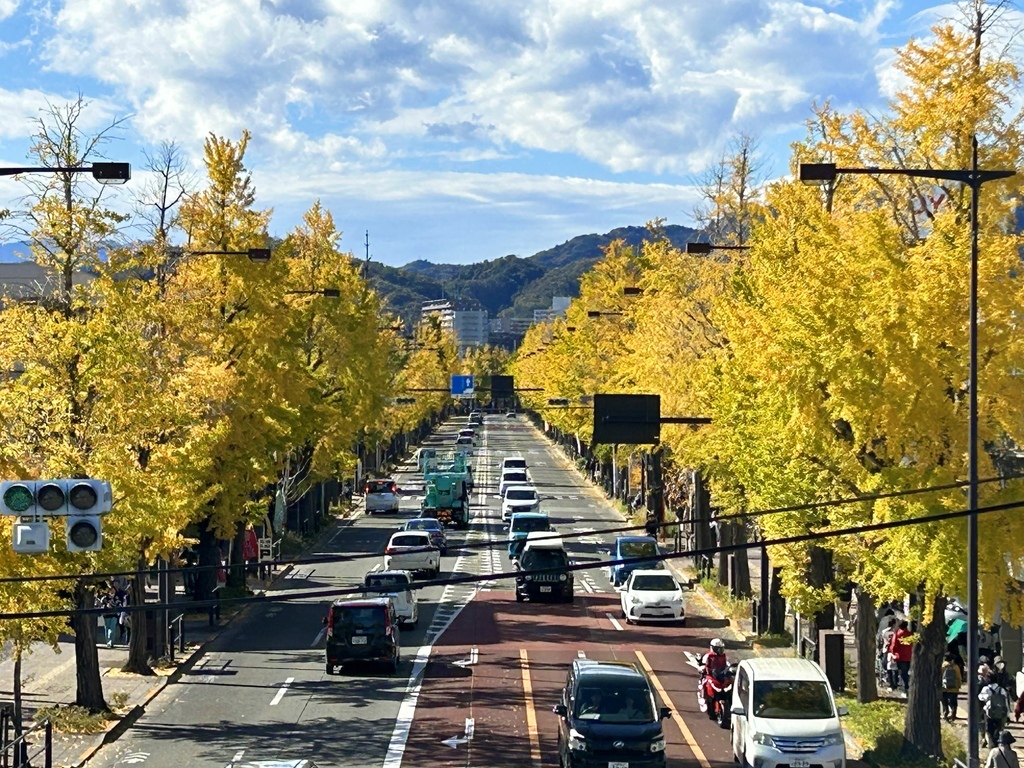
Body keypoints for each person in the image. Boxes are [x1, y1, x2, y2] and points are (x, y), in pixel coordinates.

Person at [980, 670, 1010, 748]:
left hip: (989, 712)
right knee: (999, 729)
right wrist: (1007, 714)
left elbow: (980, 697)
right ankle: (998, 743)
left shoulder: (986, 689)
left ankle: (990, 744)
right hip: (1000, 712)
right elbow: (1005, 702)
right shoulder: (1001, 689)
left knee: (988, 730)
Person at [888, 620, 913, 693]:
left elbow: (893, 645)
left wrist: (892, 653)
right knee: (907, 672)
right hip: (909, 656)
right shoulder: (910, 634)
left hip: (900, 656)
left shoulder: (897, 634)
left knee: (901, 672)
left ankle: (904, 687)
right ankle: (907, 686)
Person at [941, 652, 963, 722]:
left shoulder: (942, 666)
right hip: (954, 687)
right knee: (953, 701)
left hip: (944, 687)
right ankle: (953, 714)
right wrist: (959, 685)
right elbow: (958, 677)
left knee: (944, 701)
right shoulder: (955, 666)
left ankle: (945, 712)